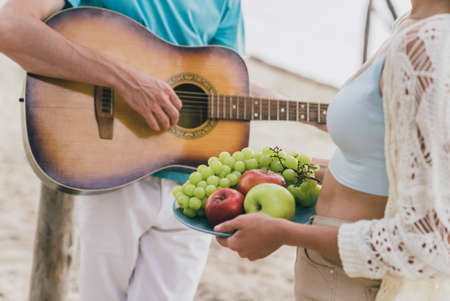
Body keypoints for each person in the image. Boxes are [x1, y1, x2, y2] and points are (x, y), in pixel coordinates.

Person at [0, 0, 247, 300]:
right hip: (114, 166)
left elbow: (228, 87)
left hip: (192, 189)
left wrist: (302, 112)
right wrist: (124, 80)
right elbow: (10, 28)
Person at [215, 1, 450, 300]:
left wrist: (283, 233)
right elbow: (381, 158)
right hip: (332, 270)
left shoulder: (428, 44)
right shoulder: (412, 24)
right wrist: (291, 167)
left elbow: (428, 242)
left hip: (349, 282)